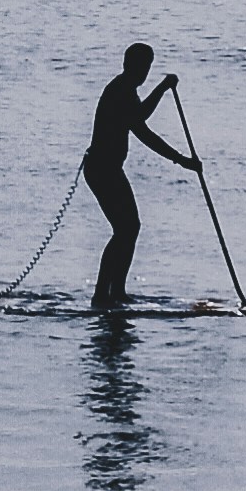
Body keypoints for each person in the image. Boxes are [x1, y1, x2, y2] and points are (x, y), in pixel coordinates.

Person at [83, 40, 197, 315]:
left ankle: (117, 292)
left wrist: (182, 161)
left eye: (148, 68)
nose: (145, 73)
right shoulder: (119, 91)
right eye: (143, 67)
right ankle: (102, 296)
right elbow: (141, 120)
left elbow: (143, 132)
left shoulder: (128, 91)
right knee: (125, 229)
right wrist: (163, 87)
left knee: (130, 228)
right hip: (101, 170)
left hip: (110, 169)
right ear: (129, 66)